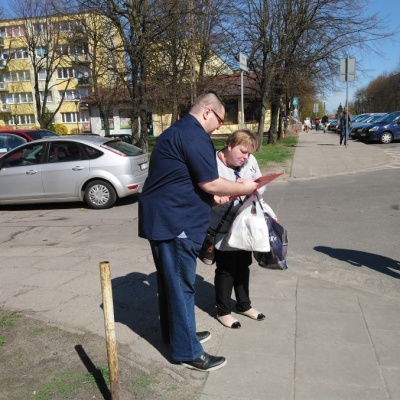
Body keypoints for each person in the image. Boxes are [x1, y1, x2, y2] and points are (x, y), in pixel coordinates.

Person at [138, 91, 258, 372]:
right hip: (175, 223)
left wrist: (209, 197)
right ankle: (188, 351)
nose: (219, 126)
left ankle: (178, 336)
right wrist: (245, 187)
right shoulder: (193, 135)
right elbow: (211, 183)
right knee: (182, 287)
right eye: (219, 120)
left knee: (171, 285)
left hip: (166, 219)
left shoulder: (180, 131)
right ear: (207, 112)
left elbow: (184, 179)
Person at [209, 130, 266, 329]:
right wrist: (232, 189)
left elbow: (260, 184)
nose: (246, 157)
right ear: (230, 145)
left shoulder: (251, 162)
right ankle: (223, 311)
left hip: (246, 224)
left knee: (243, 265)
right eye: (243, 151)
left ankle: (244, 305)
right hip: (222, 225)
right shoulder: (212, 163)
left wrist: (254, 187)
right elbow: (205, 191)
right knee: (226, 269)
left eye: (249, 153)